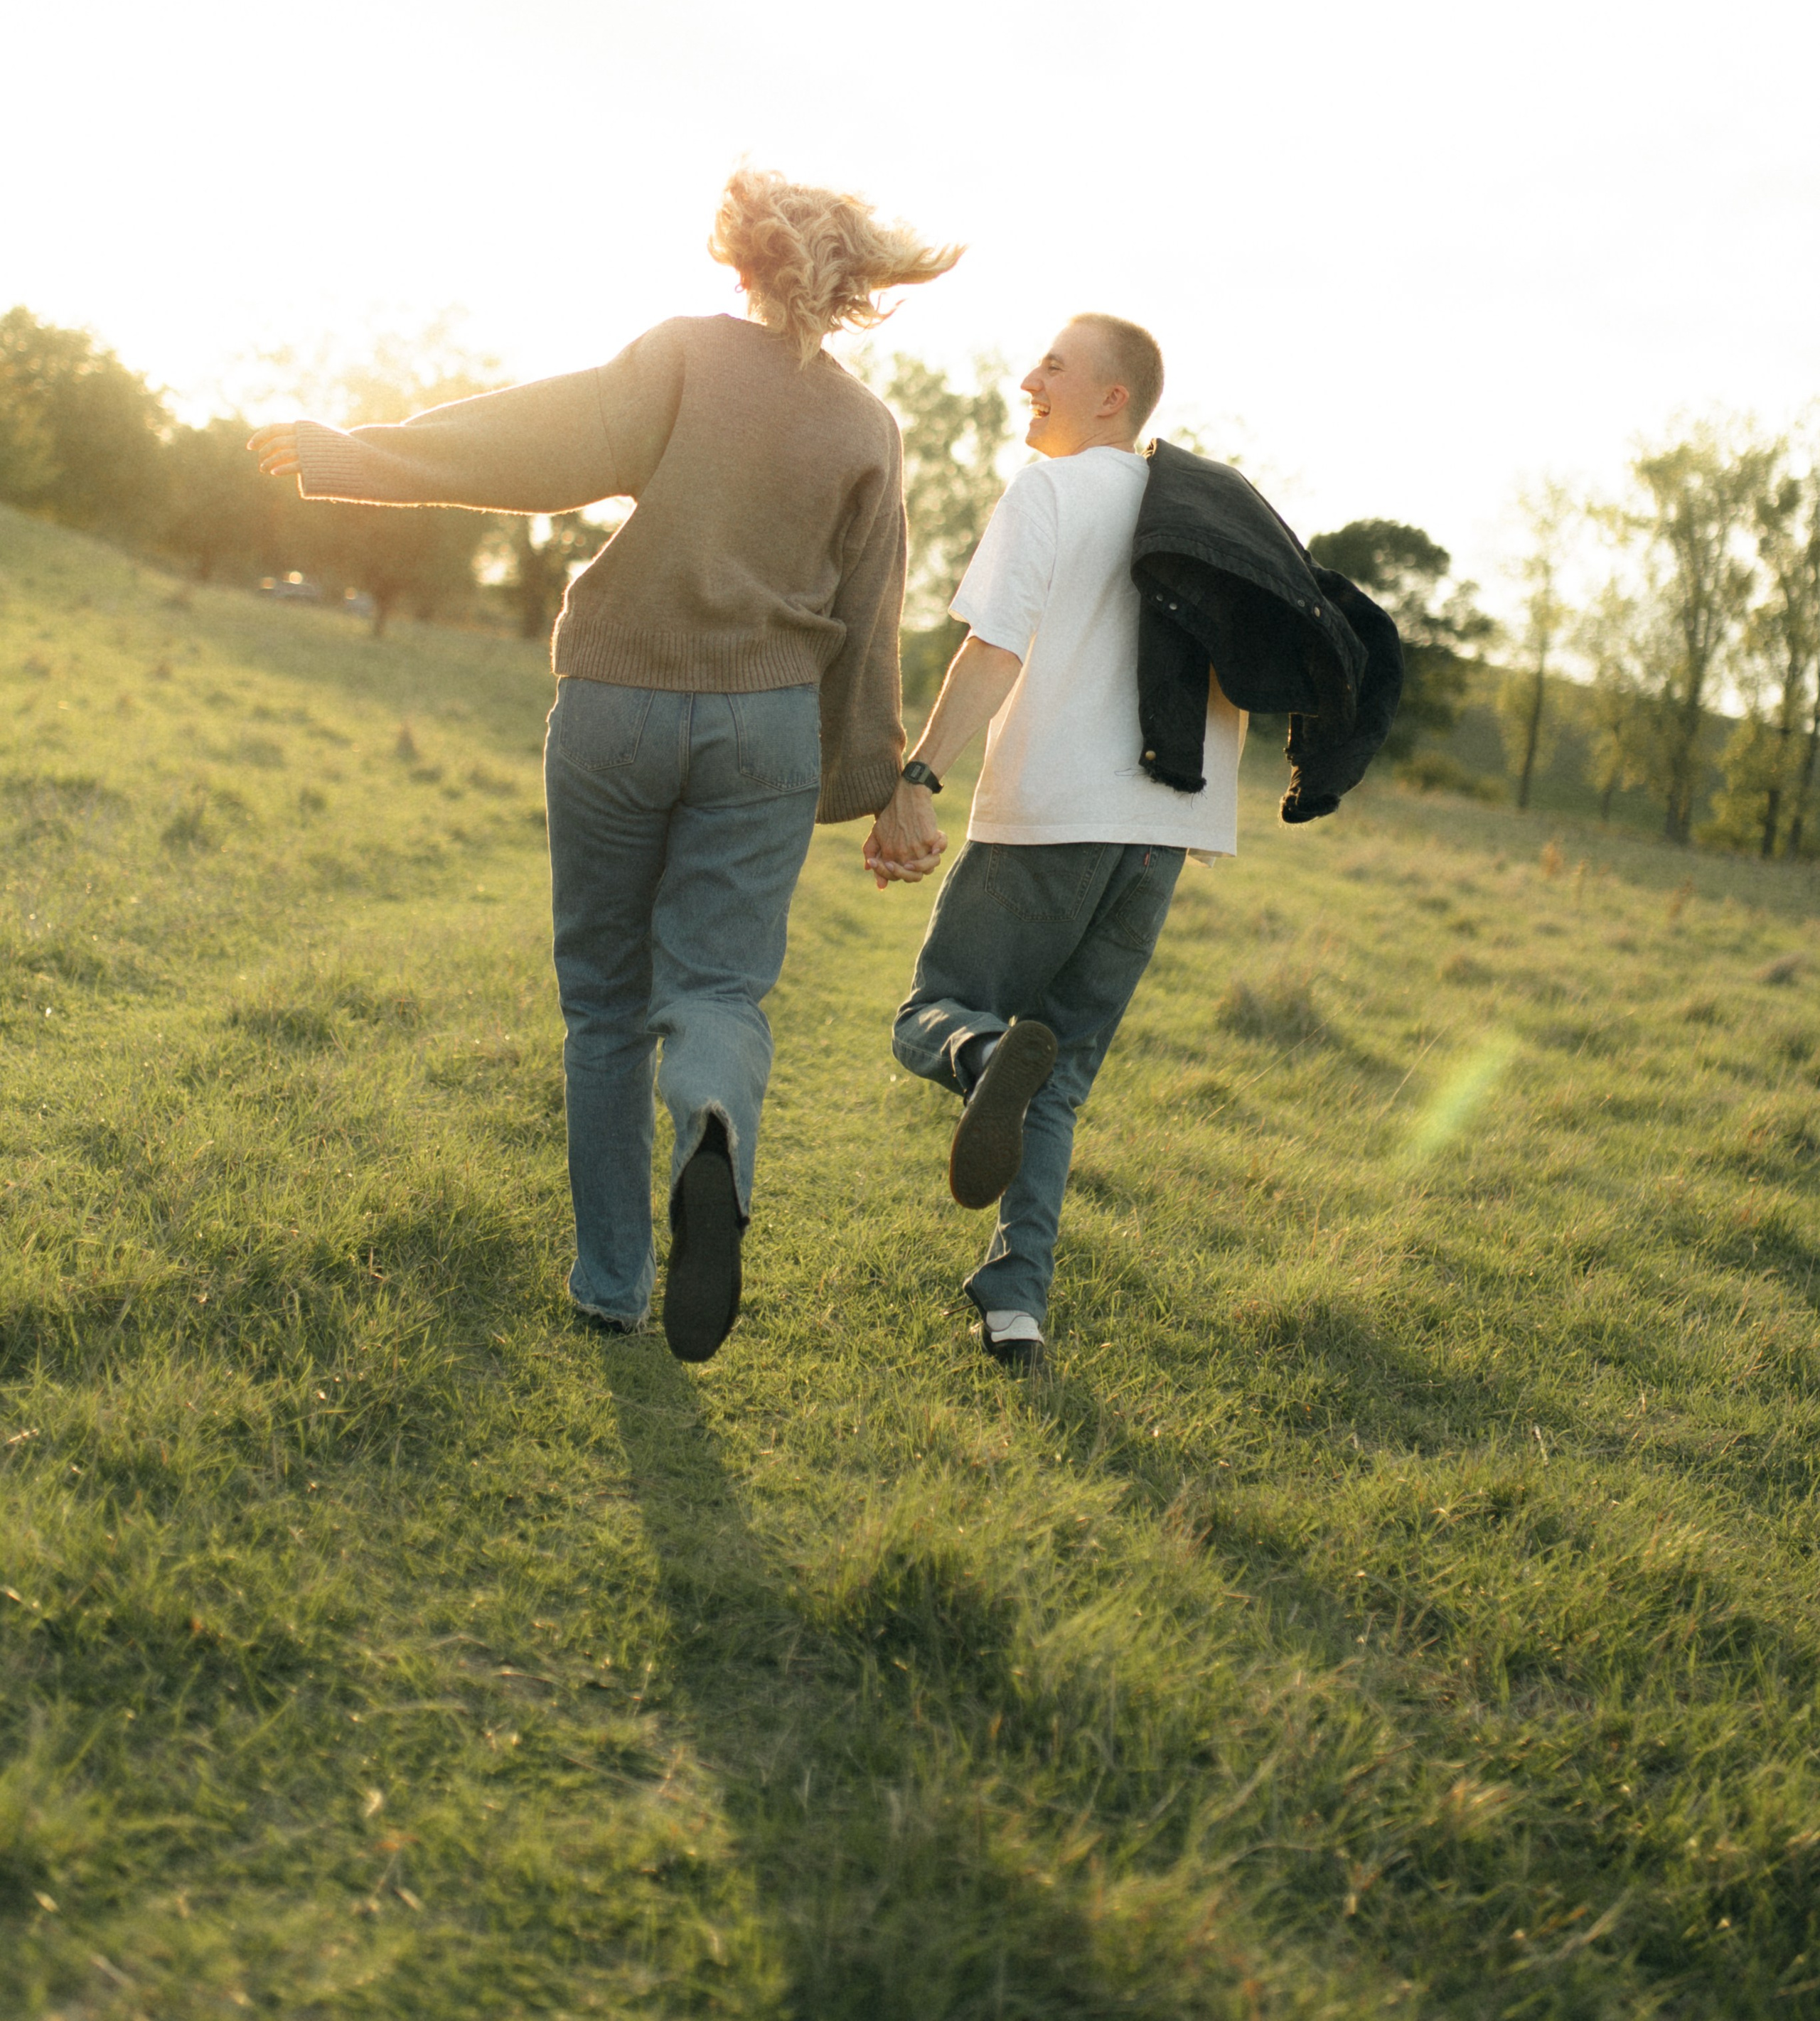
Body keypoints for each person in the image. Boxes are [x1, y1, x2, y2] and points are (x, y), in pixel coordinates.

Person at [251, 171, 958, 1363]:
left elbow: (542, 441)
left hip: (619, 701)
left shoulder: (682, 356)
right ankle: (714, 1118)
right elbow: (870, 618)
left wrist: (363, 451)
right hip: (766, 729)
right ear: (856, 291)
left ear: (745, 259)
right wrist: (880, 783)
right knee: (719, 990)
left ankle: (611, 1286)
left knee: (604, 1003)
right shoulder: (866, 429)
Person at [863, 313, 1247, 1376]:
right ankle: (1016, 1308)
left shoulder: (1051, 492)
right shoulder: (1209, 514)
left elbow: (993, 651)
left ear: (1113, 398)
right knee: (1063, 1078)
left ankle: (985, 1058)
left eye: (1056, 365)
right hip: (1163, 835)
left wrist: (916, 779)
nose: (1029, 376)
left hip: (1052, 817)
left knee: (931, 1015)